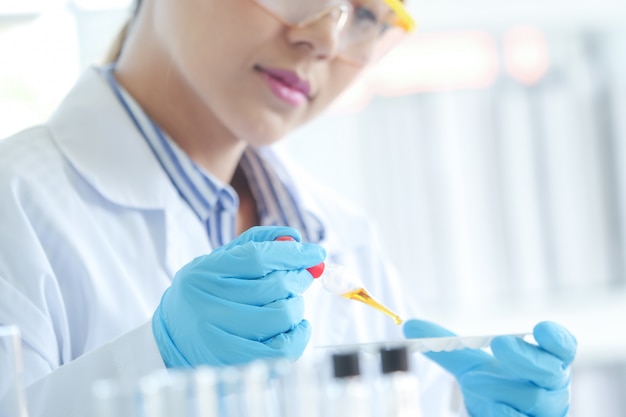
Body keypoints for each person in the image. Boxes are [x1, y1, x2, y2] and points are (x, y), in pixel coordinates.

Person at [0, 0, 577, 416]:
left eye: (368, 14)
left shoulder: (346, 237)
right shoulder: (18, 203)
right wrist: (155, 363)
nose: (325, 38)